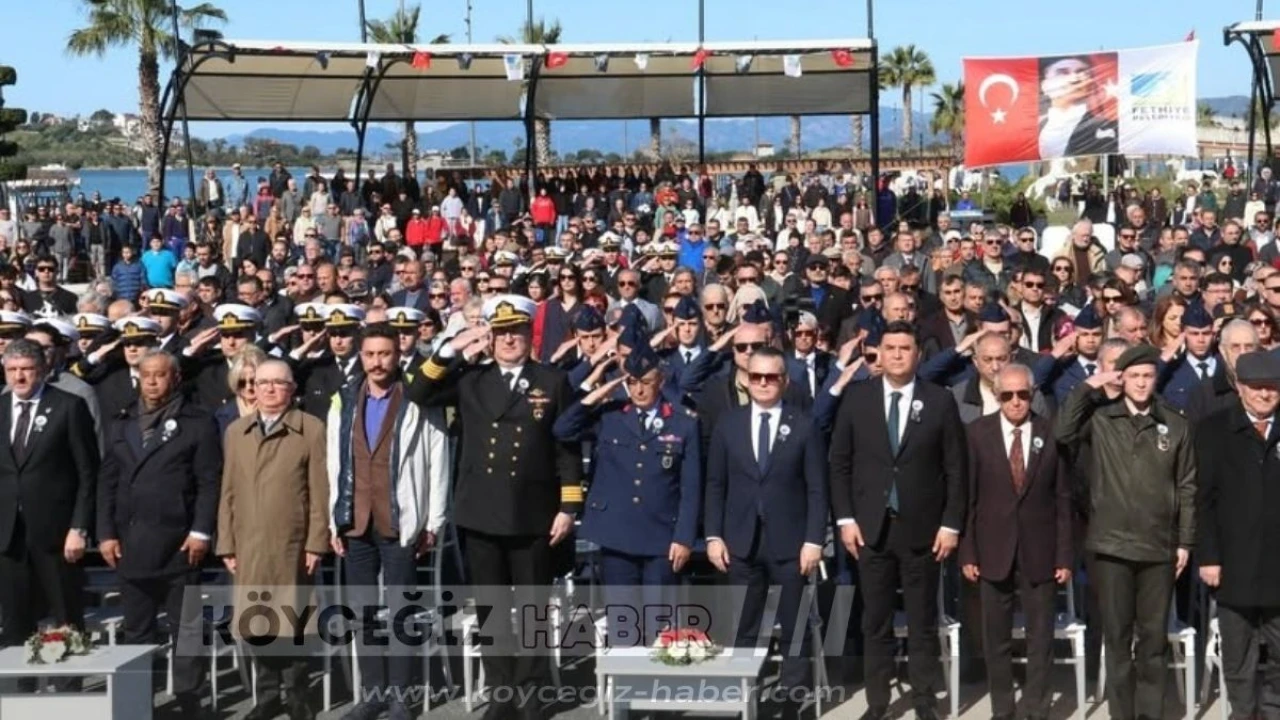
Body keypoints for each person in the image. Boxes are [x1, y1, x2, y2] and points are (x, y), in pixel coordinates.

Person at [408, 294, 582, 720]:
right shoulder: (471, 379)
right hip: (481, 511)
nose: (509, 340)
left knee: (533, 606)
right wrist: (451, 347)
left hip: (534, 511)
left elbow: (567, 447)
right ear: (490, 336)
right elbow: (418, 390)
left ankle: (534, 692)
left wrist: (568, 505)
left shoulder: (551, 380)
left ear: (528, 334)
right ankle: (503, 693)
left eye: (516, 331)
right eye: (501, 332)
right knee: (490, 607)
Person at [828, 320, 967, 720]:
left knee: (923, 620)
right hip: (870, 530)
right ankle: (877, 702)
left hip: (922, 530)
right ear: (879, 353)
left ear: (917, 354)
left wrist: (951, 524)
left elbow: (956, 469)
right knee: (876, 621)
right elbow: (839, 463)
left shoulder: (939, 400)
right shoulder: (858, 399)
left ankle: (924, 698)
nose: (897, 355)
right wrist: (846, 520)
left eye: (905, 348)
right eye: (890, 348)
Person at [1056, 344, 1196, 720]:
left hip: (1158, 547)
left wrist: (1184, 540)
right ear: (1122, 378)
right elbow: (1062, 430)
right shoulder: (1102, 420)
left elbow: (1186, 485)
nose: (1140, 383)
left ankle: (1149, 714)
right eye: (1133, 376)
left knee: (1152, 643)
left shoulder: (1174, 423)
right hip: (1111, 546)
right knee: (1117, 641)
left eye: (1147, 376)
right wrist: (1092, 384)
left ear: (1156, 378)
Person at [328, 325, 449, 720]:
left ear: (398, 355)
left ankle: (401, 695)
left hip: (401, 520)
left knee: (400, 610)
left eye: (384, 354)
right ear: (360, 357)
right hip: (355, 520)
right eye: (369, 354)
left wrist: (433, 520)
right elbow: (334, 462)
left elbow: (437, 460)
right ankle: (373, 693)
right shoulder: (344, 399)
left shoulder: (418, 398)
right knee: (363, 612)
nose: (377, 362)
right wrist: (334, 519)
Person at [97, 350, 221, 718]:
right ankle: (140, 701)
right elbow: (108, 482)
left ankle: (188, 700)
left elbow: (209, 482)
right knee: (137, 630)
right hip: (130, 544)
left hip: (180, 544)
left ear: (176, 378)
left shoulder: (197, 422)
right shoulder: (120, 422)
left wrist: (201, 531)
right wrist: (105, 533)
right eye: (146, 375)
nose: (152, 382)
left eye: (160, 375)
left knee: (187, 629)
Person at [705, 346, 828, 716]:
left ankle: (791, 702)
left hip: (791, 543)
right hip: (740, 541)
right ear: (746, 378)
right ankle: (748, 700)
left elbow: (817, 488)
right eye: (755, 376)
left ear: (784, 381)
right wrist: (713, 535)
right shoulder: (729, 424)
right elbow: (715, 484)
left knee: (794, 627)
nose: (762, 383)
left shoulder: (803, 425)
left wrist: (813, 540)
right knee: (744, 627)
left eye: (770, 377)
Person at [552, 343, 701, 645]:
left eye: (645, 382)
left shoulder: (682, 422)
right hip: (617, 533)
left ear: (660, 381)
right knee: (623, 619)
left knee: (658, 621)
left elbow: (691, 485)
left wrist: (684, 536)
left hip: (661, 534)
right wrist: (595, 397)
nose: (639, 390)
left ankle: (656, 687)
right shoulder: (610, 415)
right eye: (631, 382)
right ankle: (626, 687)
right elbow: (562, 429)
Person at [217, 359, 329, 720]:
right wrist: (226, 543)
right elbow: (228, 491)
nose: (266, 389)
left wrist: (316, 541)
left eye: (276, 383)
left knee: (292, 620)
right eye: (259, 383)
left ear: (292, 389)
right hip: (247, 542)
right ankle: (266, 696)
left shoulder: (310, 429)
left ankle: (298, 695)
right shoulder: (236, 431)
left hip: (291, 542)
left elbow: (319, 490)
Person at [959, 363, 1072, 720]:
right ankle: (1003, 710)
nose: (1016, 402)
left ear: (1033, 393)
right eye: (1007, 395)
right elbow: (968, 499)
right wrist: (968, 551)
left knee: (1041, 639)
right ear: (996, 396)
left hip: (1041, 551)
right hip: (993, 551)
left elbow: (1063, 499)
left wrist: (1065, 556)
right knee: (997, 640)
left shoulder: (1050, 432)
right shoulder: (976, 434)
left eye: (1023, 394)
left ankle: (1037, 709)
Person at [0, 340, 100, 662]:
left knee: (66, 617)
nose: (19, 377)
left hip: (57, 534)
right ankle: (19, 701)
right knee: (15, 620)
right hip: (8, 536)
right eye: (12, 370)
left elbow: (88, 473)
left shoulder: (68, 406)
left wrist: (79, 527)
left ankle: (72, 693)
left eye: (27, 370)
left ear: (41, 370)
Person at [1196, 350, 1280, 720]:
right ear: (1239, 388)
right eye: (1257, 388)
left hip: (1278, 564)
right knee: (1239, 652)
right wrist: (1209, 556)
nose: (1265, 395)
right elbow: (1203, 501)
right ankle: (1243, 714)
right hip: (1233, 564)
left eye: (1272, 388)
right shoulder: (1214, 430)